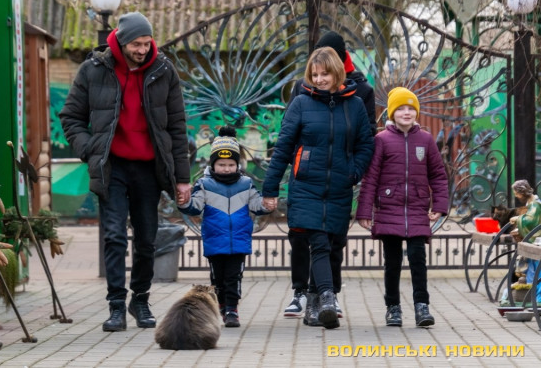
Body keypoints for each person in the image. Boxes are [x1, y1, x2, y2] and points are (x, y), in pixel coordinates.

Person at [60, 12, 191, 332]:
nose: (143, 50)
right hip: (112, 166)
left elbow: (177, 127)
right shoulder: (93, 70)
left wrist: (183, 179)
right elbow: (71, 117)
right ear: (120, 41)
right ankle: (116, 305)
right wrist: (90, 149)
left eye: (147, 43)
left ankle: (140, 300)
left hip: (149, 167)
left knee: (146, 239)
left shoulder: (164, 71)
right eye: (136, 44)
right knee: (115, 236)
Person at [263, 47, 374, 329]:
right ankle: (327, 297)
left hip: (339, 186)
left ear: (337, 72)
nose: (320, 79)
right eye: (315, 74)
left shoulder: (355, 105)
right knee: (319, 242)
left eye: (325, 73)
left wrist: (353, 172)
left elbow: (365, 144)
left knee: (332, 243)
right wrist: (270, 188)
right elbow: (283, 147)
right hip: (306, 186)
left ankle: (313, 305)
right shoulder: (301, 103)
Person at [356, 87, 449, 328]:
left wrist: (439, 205)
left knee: (418, 259)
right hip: (389, 209)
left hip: (417, 209)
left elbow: (438, 175)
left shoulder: (425, 140)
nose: (406, 113)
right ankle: (393, 308)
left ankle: (422, 306)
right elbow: (371, 178)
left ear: (416, 112)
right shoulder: (381, 140)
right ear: (392, 113)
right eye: (400, 109)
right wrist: (364, 211)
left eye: (410, 108)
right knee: (392, 262)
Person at [177, 126, 271, 328]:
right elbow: (195, 207)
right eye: (221, 164)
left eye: (231, 164)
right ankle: (220, 305)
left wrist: (265, 205)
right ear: (213, 164)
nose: (227, 168)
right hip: (215, 240)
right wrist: (184, 203)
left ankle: (232, 309)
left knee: (234, 276)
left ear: (238, 164)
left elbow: (256, 204)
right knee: (217, 277)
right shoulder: (204, 184)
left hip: (238, 241)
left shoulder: (246, 184)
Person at [508, 180, 541, 302]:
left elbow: (531, 221)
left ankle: (537, 297)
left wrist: (518, 219)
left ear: (522, 192)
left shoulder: (535, 205)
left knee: (536, 271)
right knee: (531, 270)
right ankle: (533, 296)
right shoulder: (531, 203)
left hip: (537, 241)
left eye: (517, 193)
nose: (516, 196)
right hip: (534, 241)